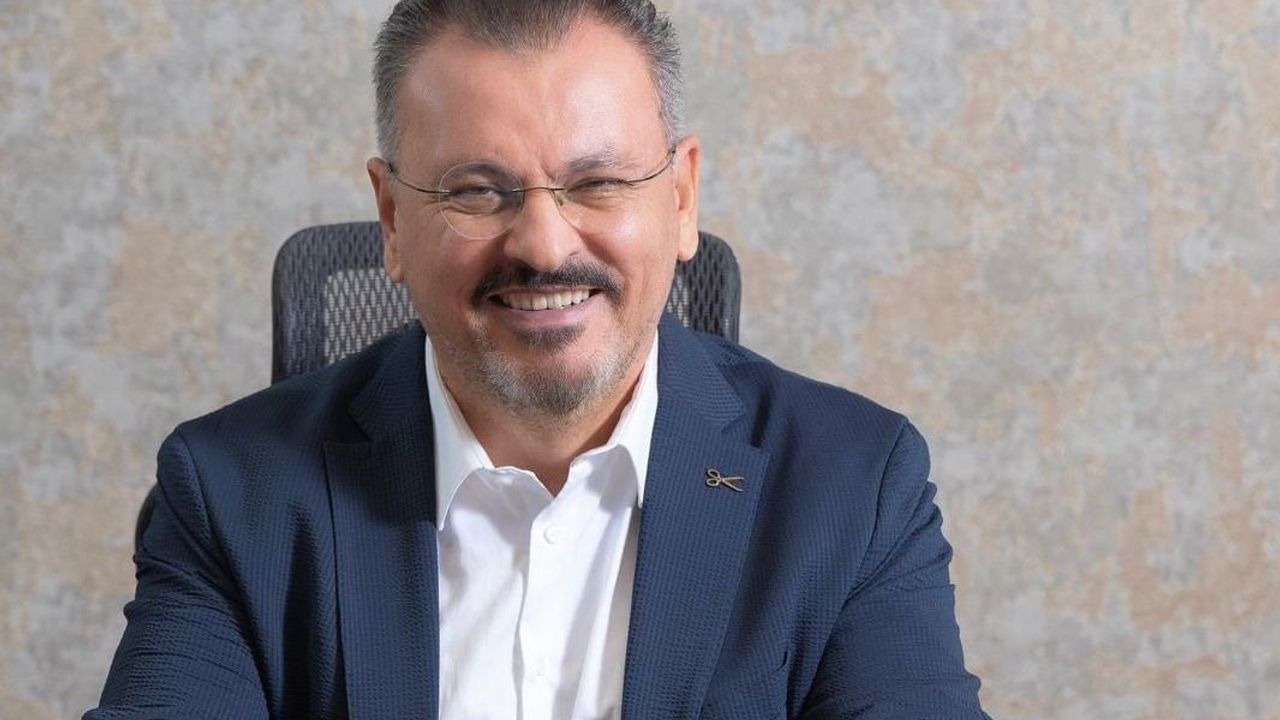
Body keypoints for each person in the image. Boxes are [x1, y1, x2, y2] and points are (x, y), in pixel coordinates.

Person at [87, 1, 989, 718]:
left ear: (681, 198)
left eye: (598, 183)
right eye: (478, 192)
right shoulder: (231, 495)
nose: (545, 245)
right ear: (393, 221)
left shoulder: (853, 489)